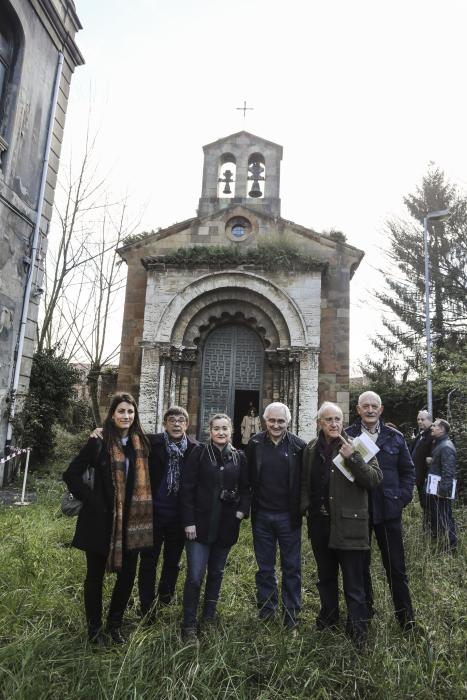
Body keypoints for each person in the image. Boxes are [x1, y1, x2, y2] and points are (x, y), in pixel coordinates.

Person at [63, 392, 153, 645]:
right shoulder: (98, 442)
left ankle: (115, 625)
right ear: (112, 415)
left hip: (133, 524)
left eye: (130, 412)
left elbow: (175, 440)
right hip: (100, 522)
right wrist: (93, 501)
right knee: (94, 577)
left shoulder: (142, 444)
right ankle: (94, 630)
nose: (126, 416)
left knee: (126, 577)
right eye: (121, 411)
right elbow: (71, 474)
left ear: (135, 416)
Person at [301, 402, 382, 647]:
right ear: (320, 423)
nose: (334, 424)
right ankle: (328, 619)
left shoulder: (357, 445)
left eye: (338, 419)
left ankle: (358, 631)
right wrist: (306, 510)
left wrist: (354, 458)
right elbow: (306, 482)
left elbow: (375, 479)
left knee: (353, 581)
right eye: (329, 420)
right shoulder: (312, 448)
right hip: (320, 525)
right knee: (325, 577)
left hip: (349, 524)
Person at [346, 391, 416, 631]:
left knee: (396, 568)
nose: (370, 409)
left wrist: (400, 500)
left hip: (388, 513)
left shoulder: (394, 437)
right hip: (359, 514)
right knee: (360, 568)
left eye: (374, 406)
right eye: (365, 406)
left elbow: (408, 472)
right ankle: (364, 618)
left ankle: (406, 620)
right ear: (358, 410)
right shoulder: (347, 436)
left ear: (381, 409)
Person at [180, 413, 250, 643]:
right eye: (217, 428)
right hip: (198, 527)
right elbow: (187, 488)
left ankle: (208, 618)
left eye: (225, 429)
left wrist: (240, 513)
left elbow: (247, 489)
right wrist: (188, 521)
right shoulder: (198, 453)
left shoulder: (239, 457)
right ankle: (189, 625)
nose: (221, 432)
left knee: (217, 574)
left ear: (232, 431)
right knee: (195, 576)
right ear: (209, 432)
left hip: (226, 526)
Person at [246, 401, 306, 629]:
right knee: (265, 568)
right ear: (265, 420)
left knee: (292, 567)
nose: (276, 425)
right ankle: (267, 613)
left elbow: (303, 483)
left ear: (288, 422)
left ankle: (291, 615)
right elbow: (248, 477)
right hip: (262, 516)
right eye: (272, 420)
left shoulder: (299, 447)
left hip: (288, 517)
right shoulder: (254, 444)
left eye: (281, 421)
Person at [138, 406, 199, 619]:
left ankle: (165, 598)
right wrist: (99, 431)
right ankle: (146, 606)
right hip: (153, 513)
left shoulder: (194, 448)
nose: (176, 424)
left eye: (181, 420)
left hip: (178, 516)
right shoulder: (150, 442)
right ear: (164, 424)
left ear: (187, 424)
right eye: (171, 420)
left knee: (172, 561)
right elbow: (123, 438)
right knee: (148, 561)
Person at [426, 418, 457, 553]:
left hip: (441, 492)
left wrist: (443, 491)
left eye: (434, 425)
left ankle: (451, 549)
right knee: (441, 519)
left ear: (442, 429)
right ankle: (444, 547)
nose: (431, 427)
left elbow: (448, 471)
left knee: (445, 519)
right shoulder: (440, 444)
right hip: (436, 490)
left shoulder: (446, 446)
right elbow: (442, 465)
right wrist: (432, 462)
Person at [409, 410, 433, 530]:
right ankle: (426, 528)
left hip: (426, 477)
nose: (419, 421)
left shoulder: (432, 435)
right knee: (424, 504)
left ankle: (429, 529)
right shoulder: (421, 434)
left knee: (429, 505)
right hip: (418, 476)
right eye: (418, 419)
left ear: (430, 420)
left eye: (422, 419)